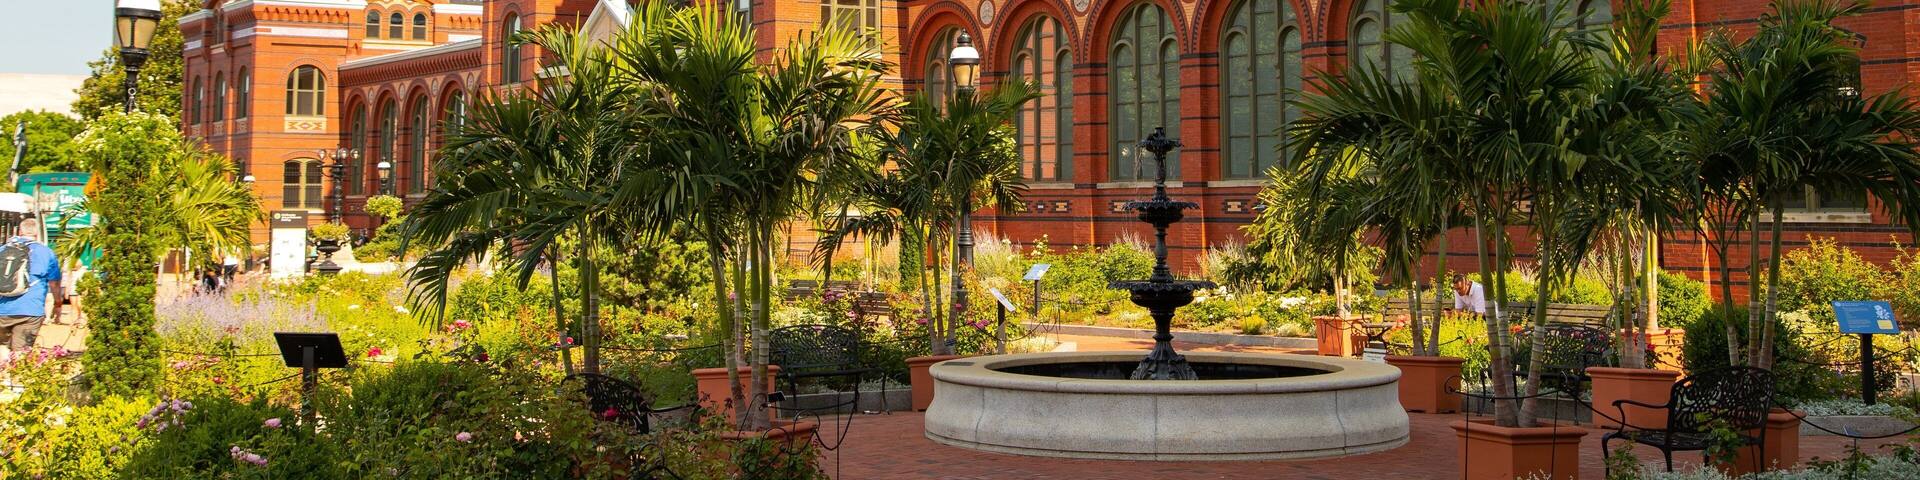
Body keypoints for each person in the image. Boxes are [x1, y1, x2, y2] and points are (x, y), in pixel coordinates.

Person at [0, 218, 63, 360]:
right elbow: (54, 283)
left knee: (2, 347)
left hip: (2, 308)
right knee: (21, 351)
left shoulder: (3, 250)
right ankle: (16, 372)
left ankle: (3, 371)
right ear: (37, 233)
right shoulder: (46, 252)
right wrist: (58, 303)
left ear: (19, 231)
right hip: (30, 309)